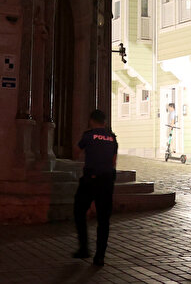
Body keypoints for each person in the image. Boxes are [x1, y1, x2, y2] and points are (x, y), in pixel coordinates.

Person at [73, 109, 118, 267]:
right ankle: (100, 257)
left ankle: (84, 247)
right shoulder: (112, 138)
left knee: (79, 211)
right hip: (106, 181)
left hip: (90, 180)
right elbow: (113, 162)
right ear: (105, 122)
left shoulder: (88, 135)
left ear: (92, 121)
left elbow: (76, 152)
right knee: (104, 220)